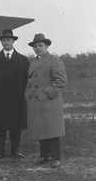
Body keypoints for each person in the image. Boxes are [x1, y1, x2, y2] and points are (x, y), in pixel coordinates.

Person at [0, 29, 30, 159]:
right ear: (1, 42)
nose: (6, 42)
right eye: (3, 40)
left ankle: (15, 151)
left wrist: (22, 93)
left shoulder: (23, 60)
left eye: (8, 40)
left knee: (16, 127)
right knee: (0, 127)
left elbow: (27, 79)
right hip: (0, 99)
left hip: (17, 99)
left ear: (13, 41)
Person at [25, 33, 67, 168]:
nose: (37, 48)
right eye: (35, 46)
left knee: (52, 130)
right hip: (36, 102)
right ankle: (44, 156)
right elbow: (30, 82)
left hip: (49, 101)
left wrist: (47, 93)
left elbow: (61, 80)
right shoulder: (33, 63)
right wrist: (28, 95)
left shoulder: (54, 60)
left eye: (40, 46)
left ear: (47, 46)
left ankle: (56, 157)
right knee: (41, 129)